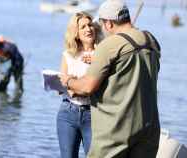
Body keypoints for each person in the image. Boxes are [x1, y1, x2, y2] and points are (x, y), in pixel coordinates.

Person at [60, 0, 161, 158]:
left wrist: (67, 81)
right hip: (149, 130)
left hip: (117, 133)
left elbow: (87, 87)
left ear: (108, 24)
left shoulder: (109, 45)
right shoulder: (151, 41)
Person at [57, 11, 102, 158]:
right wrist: (73, 85)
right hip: (67, 112)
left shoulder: (103, 54)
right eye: (83, 27)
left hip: (94, 114)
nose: (88, 29)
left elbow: (94, 87)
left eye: (90, 25)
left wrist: (74, 84)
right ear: (76, 33)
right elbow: (63, 85)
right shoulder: (68, 55)